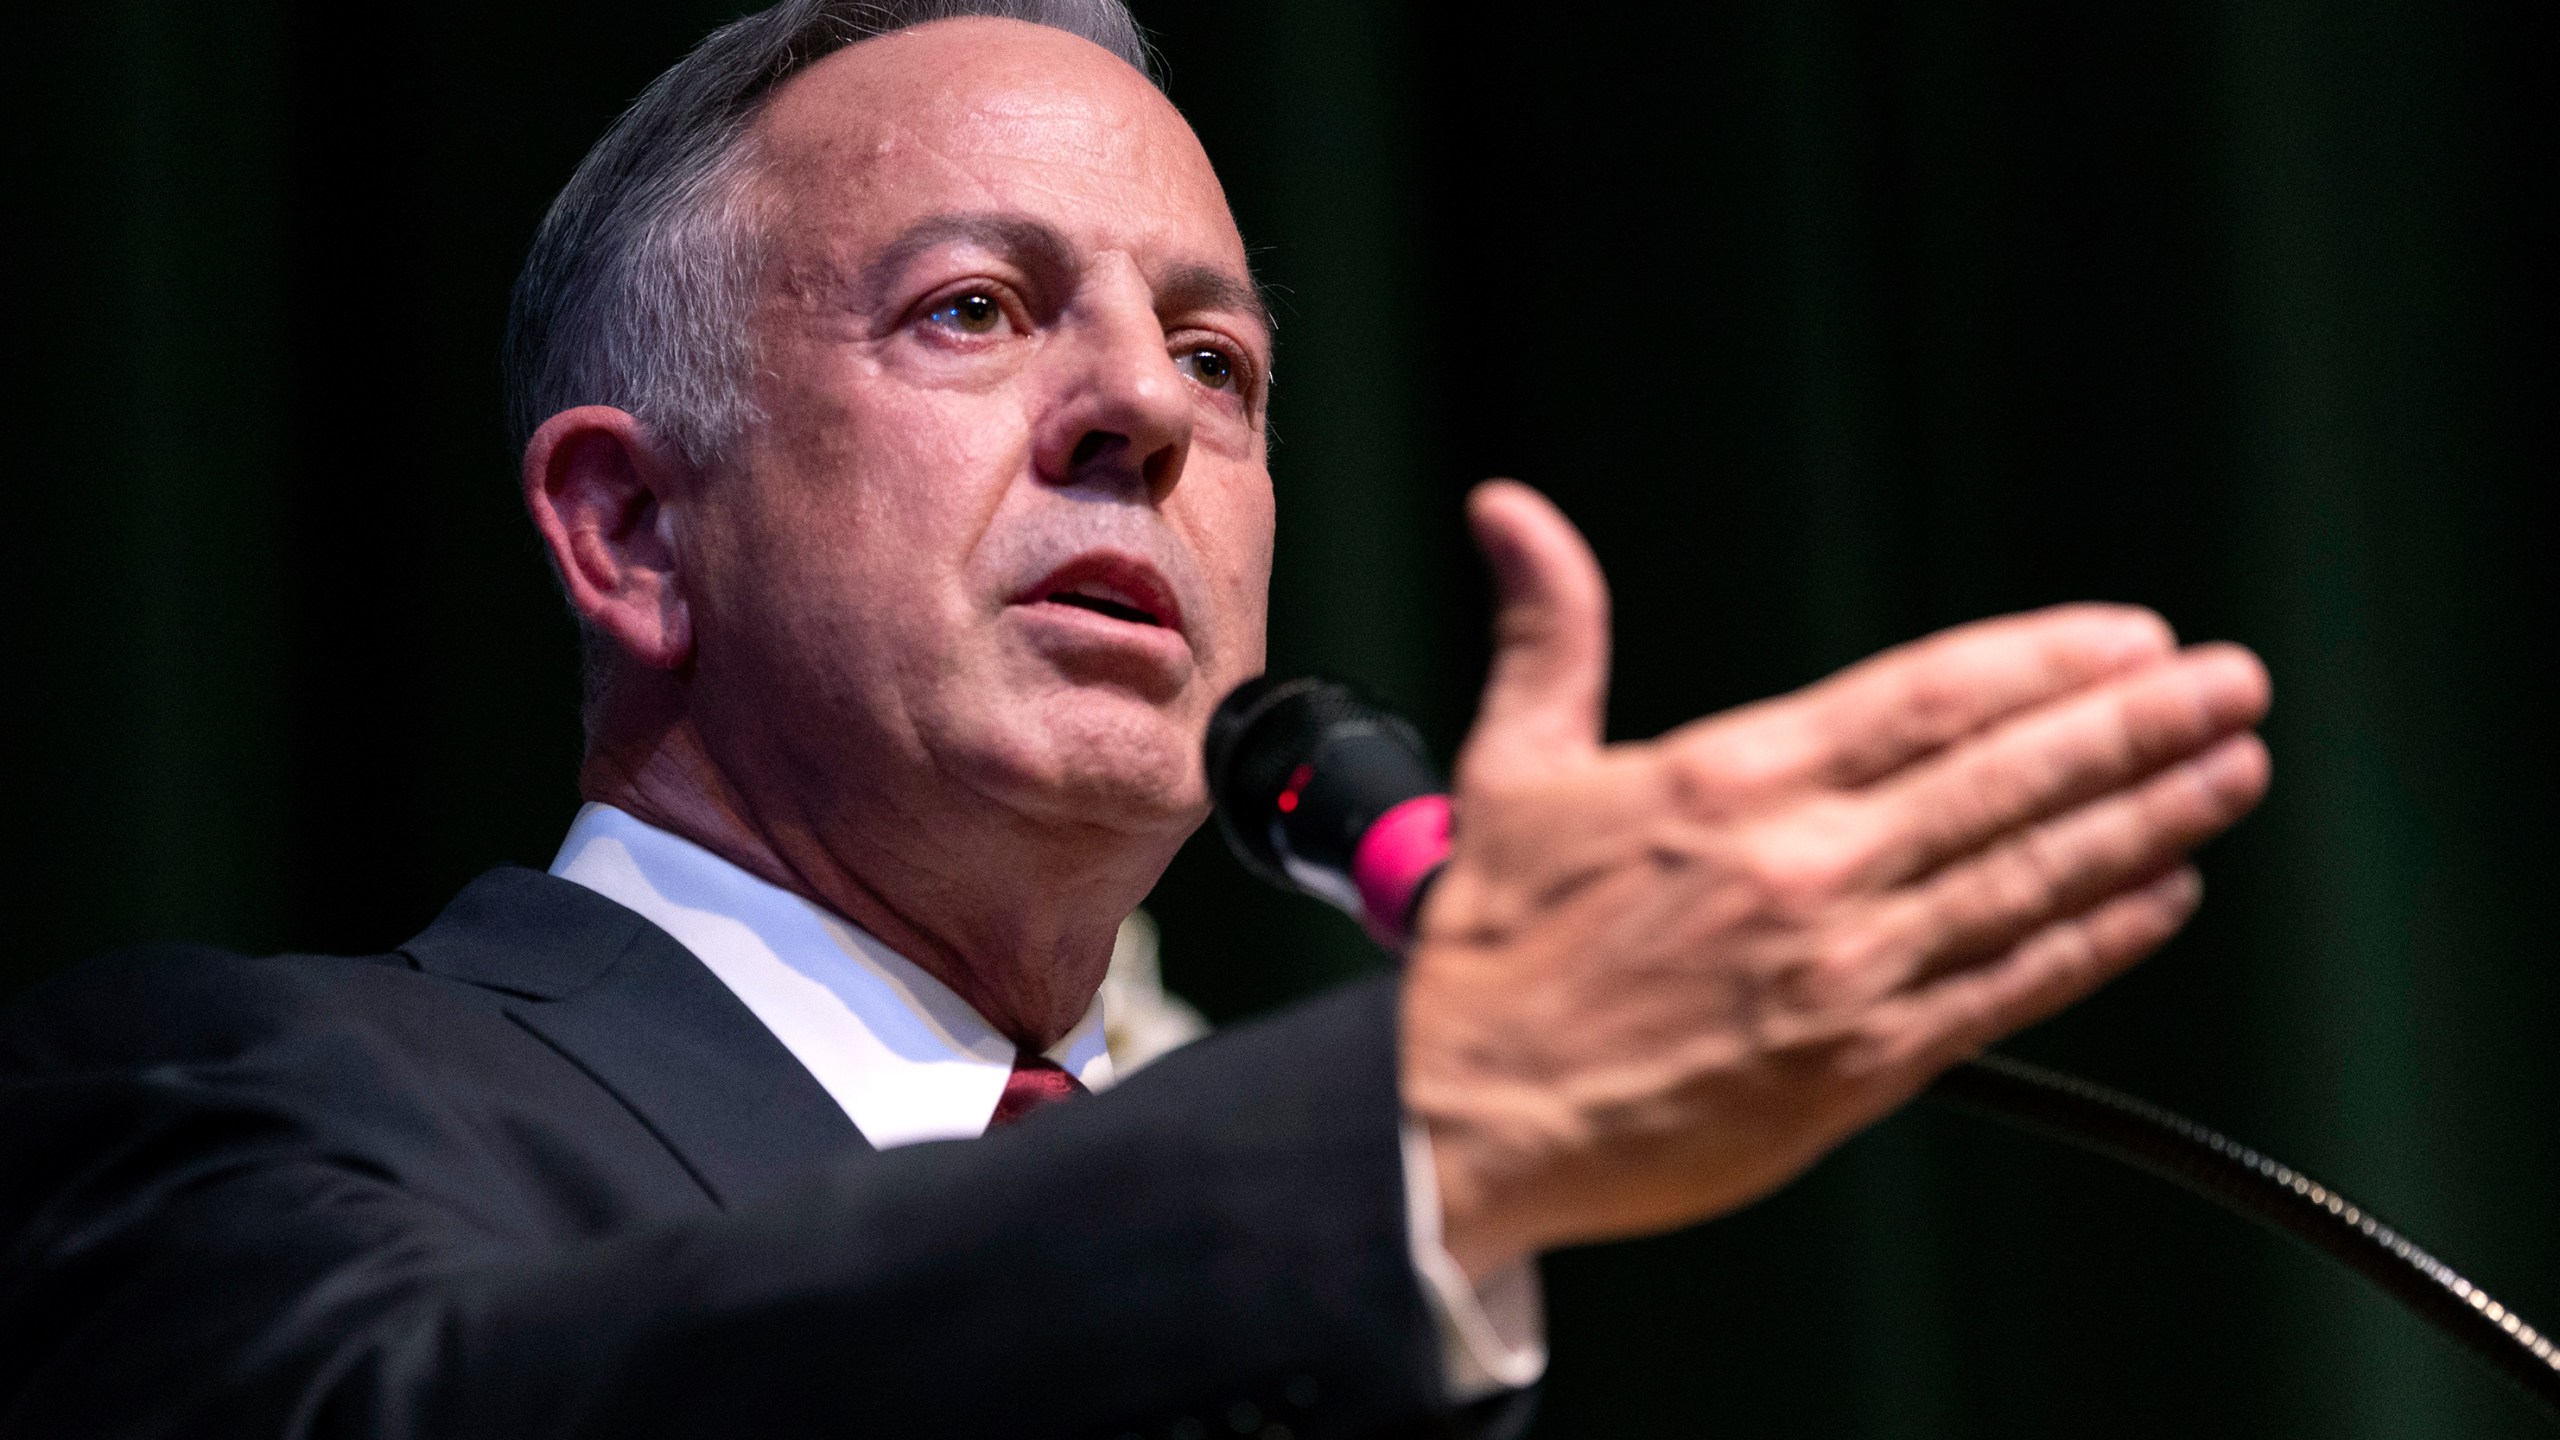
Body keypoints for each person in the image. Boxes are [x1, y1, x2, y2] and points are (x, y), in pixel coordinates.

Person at [0, 1, 2274, 1435]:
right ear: (628, 529)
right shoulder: (234, 1095)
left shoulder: (1402, 1309)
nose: (1140, 417)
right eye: (978, 309)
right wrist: (1417, 1127)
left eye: (1217, 361)